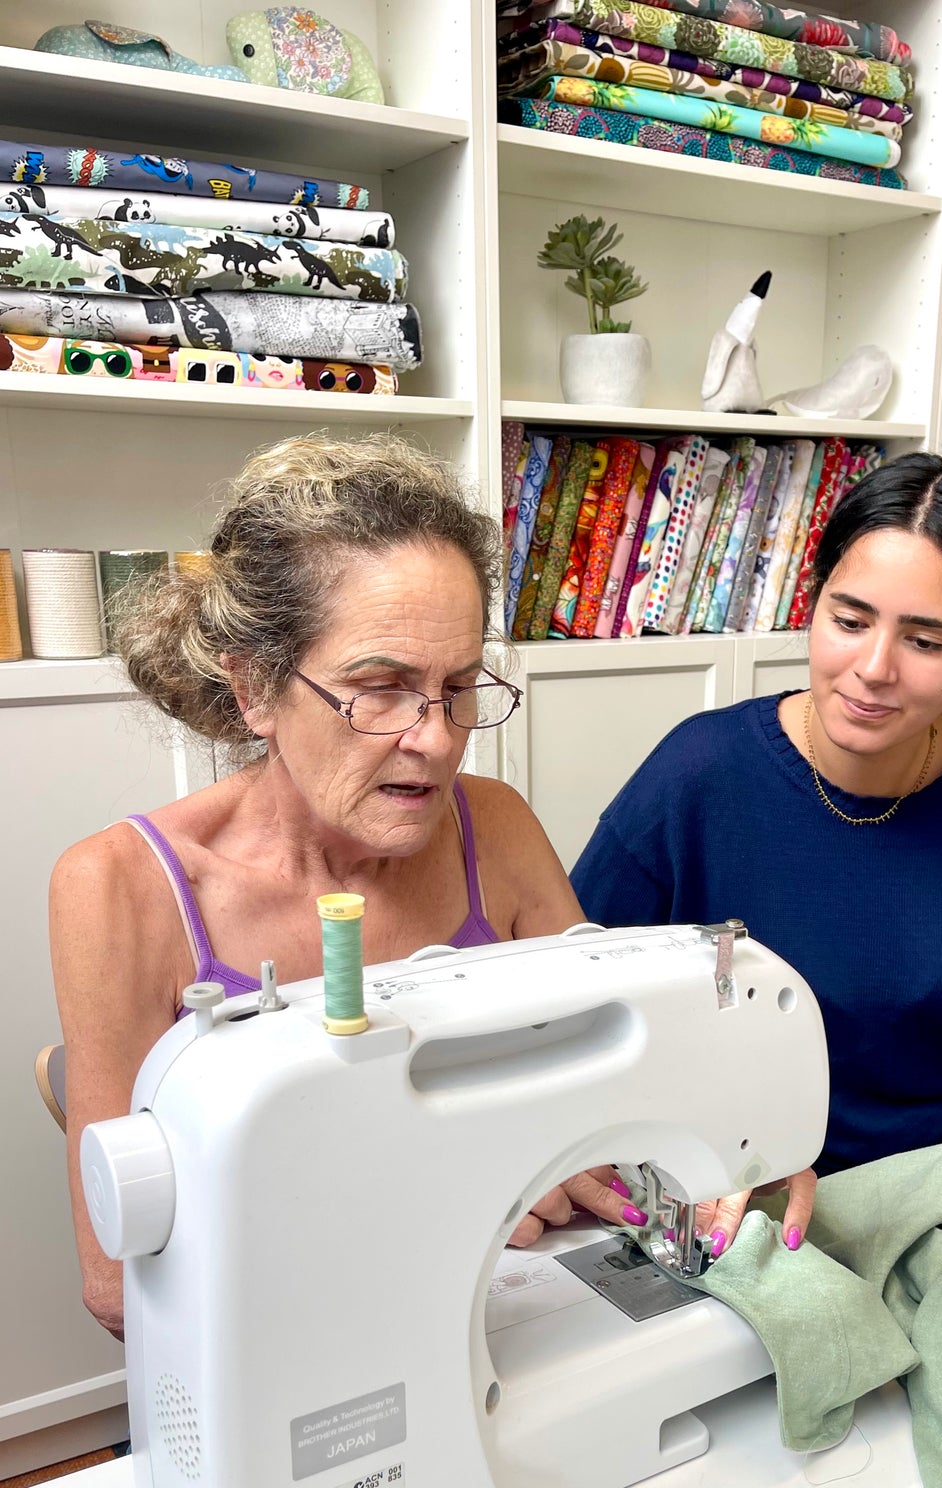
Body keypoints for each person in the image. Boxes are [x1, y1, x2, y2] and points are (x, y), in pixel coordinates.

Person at [51, 437, 640, 1338]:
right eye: (380, 688)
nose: (437, 740)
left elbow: (607, 1095)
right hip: (283, 1361)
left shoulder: (498, 830)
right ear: (254, 687)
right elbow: (114, 1284)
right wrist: (461, 1195)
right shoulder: (121, 889)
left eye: (458, 686)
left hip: (505, 1313)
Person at [571, 452, 942, 1200]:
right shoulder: (696, 776)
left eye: (924, 640)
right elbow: (570, 1005)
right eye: (848, 620)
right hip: (755, 1184)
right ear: (812, 604)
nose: (873, 667)